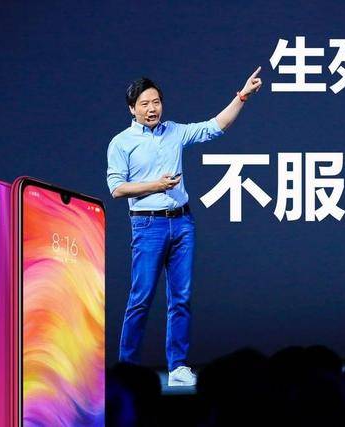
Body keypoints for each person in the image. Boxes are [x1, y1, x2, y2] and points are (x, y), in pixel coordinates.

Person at [106, 67, 262, 386]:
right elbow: (117, 188)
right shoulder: (121, 143)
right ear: (132, 109)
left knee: (181, 297)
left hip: (182, 222)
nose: (152, 109)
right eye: (145, 104)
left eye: (157, 102)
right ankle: (126, 369)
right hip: (147, 225)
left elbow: (214, 127)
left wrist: (243, 96)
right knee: (141, 298)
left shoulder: (174, 131)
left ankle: (178, 366)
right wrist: (156, 185)